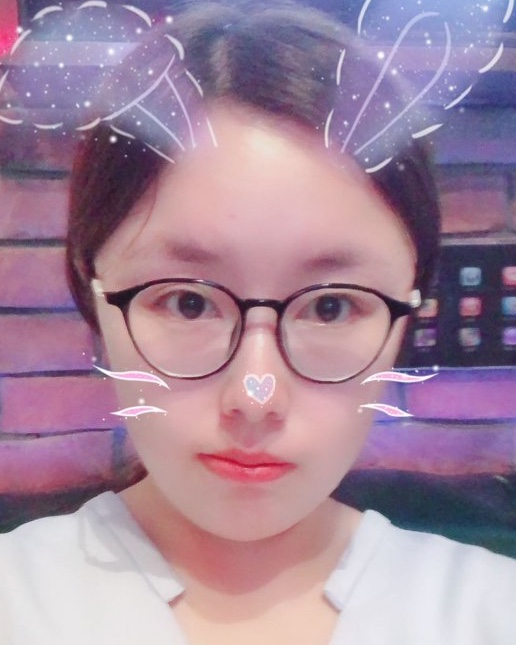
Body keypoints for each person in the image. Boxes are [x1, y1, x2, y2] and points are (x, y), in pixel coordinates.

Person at [0, 1, 515, 643]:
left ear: (406, 313)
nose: (254, 397)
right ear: (92, 292)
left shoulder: (491, 611)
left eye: (330, 306)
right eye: (188, 302)